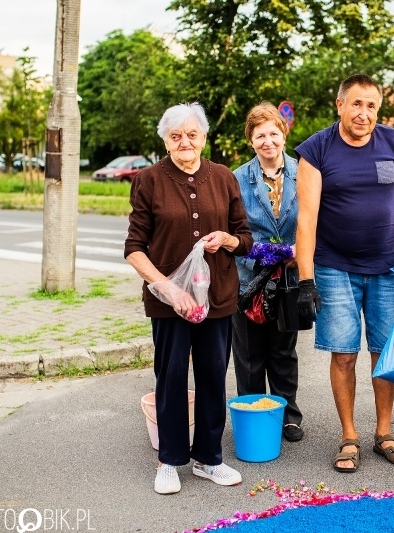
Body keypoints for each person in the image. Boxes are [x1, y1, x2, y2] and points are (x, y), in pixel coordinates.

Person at [294, 73, 394, 473]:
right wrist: (305, 279)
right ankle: (349, 435)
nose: (364, 113)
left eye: (371, 105)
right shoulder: (317, 148)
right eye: (356, 104)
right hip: (335, 269)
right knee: (345, 354)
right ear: (340, 105)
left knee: (384, 354)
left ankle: (383, 432)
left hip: (387, 266)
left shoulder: (392, 142)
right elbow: (307, 218)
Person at [125, 102, 254, 495]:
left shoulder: (224, 177)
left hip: (217, 296)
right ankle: (169, 459)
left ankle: (209, 459)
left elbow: (245, 239)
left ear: (203, 137)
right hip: (169, 300)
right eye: (176, 136)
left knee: (214, 376)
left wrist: (227, 239)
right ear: (165, 139)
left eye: (191, 134)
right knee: (172, 377)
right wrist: (168, 288)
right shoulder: (148, 179)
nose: (185, 142)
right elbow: (134, 247)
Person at [232, 102, 304, 442]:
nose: (268, 141)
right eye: (260, 135)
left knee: (283, 353)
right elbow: (232, 229)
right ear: (251, 140)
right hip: (248, 280)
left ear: (284, 134)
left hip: (288, 280)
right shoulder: (236, 179)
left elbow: (312, 223)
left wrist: (299, 255)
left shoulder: (304, 174)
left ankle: (288, 416)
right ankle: (252, 412)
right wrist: (257, 257)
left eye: (273, 133)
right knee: (248, 354)